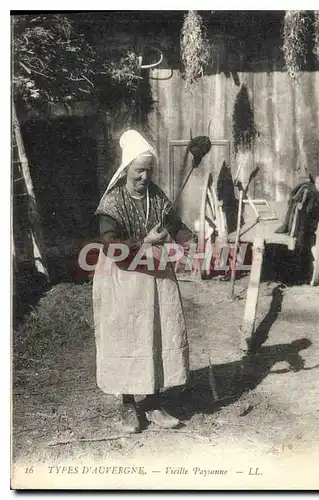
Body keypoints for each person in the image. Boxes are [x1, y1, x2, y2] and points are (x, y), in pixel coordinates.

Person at [93, 129, 195, 433]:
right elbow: (111, 245)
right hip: (122, 279)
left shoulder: (157, 196)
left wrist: (189, 238)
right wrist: (144, 240)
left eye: (148, 170)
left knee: (155, 335)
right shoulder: (111, 204)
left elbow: (175, 225)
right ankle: (128, 406)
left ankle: (152, 403)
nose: (144, 177)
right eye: (139, 170)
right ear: (127, 169)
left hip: (156, 279)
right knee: (127, 336)